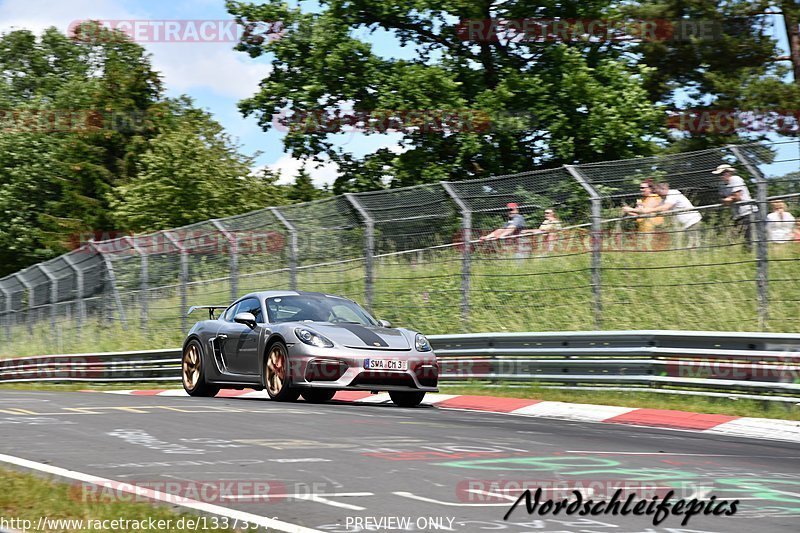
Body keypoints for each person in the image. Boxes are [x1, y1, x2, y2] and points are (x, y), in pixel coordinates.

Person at [623, 182, 702, 248]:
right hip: (686, 224)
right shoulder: (664, 198)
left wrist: (636, 209)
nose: (658, 194)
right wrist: (631, 211)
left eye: (658, 192)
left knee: (694, 245)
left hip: (692, 221)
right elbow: (650, 211)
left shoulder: (673, 193)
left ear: (663, 189)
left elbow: (664, 208)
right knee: (689, 245)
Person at [715, 163, 757, 249]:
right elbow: (722, 199)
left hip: (748, 212)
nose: (721, 176)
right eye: (719, 174)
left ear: (728, 173)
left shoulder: (735, 179)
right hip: (738, 215)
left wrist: (729, 199)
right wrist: (728, 199)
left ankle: (749, 256)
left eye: (722, 174)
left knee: (747, 239)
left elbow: (738, 197)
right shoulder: (722, 185)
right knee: (731, 239)